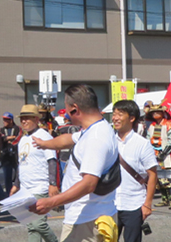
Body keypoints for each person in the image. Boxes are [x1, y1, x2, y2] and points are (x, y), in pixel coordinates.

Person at [30, 85, 119, 242]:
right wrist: (45, 144)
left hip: (87, 221)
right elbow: (69, 139)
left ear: (75, 109)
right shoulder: (93, 129)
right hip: (90, 216)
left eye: (66, 107)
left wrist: (51, 202)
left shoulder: (96, 138)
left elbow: (88, 184)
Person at [108, 100, 157, 242]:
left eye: (120, 114)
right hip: (110, 204)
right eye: (114, 114)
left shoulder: (142, 144)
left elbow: (152, 174)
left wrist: (147, 204)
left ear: (131, 118)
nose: (115, 118)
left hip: (134, 204)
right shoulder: (109, 141)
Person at [12, 104, 59, 242]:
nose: (24, 121)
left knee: (39, 224)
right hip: (26, 188)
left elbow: (52, 160)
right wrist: (16, 184)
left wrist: (52, 184)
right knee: (31, 226)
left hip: (40, 186)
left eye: (28, 118)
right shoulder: (22, 139)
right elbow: (21, 163)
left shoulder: (43, 136)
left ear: (36, 119)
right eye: (22, 119)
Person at [144, 106, 171, 209]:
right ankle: (164, 199)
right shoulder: (152, 126)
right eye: (153, 113)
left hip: (166, 155)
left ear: (163, 113)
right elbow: (148, 139)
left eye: (157, 112)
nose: (155, 114)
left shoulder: (170, 125)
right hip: (154, 155)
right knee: (159, 179)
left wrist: (163, 153)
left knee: (168, 178)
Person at [0, 112, 22, 199]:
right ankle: (9, 195)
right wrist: (8, 138)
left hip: (16, 155)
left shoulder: (17, 128)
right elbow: (0, 139)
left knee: (19, 175)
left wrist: (11, 141)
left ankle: (19, 193)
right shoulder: (1, 130)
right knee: (7, 176)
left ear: (11, 120)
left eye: (6, 119)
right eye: (3, 119)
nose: (4, 121)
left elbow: (19, 137)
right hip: (5, 155)